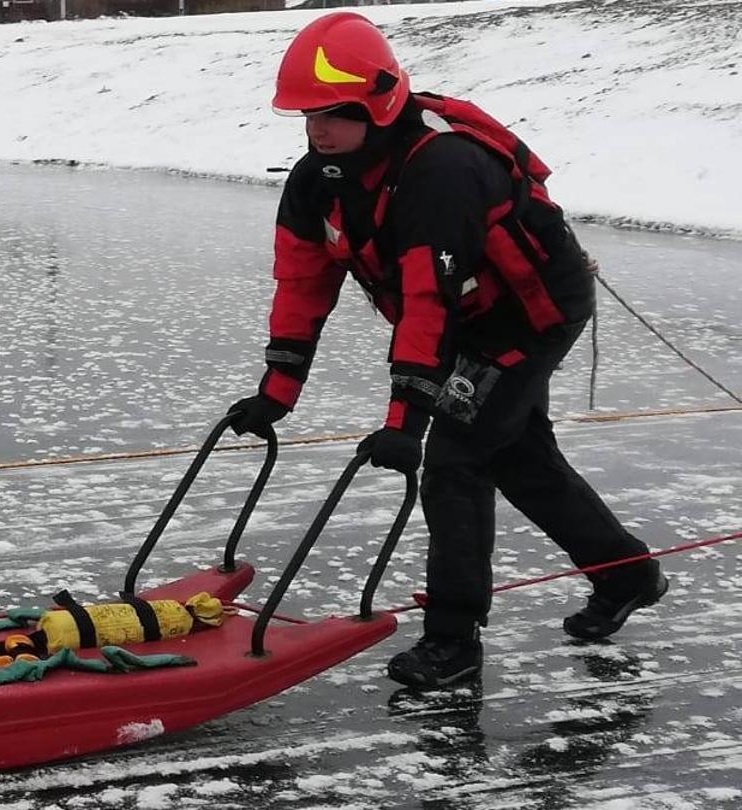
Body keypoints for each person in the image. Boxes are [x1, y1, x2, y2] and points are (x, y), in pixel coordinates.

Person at [225, 13, 668, 690]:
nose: (318, 131)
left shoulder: (441, 169)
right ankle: (627, 574)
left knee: (457, 459)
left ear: (379, 104)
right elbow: (303, 283)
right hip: (462, 313)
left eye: (335, 114)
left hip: (529, 314)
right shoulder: (318, 179)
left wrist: (406, 422)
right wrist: (276, 390)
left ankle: (453, 639)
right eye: (308, 116)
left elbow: (428, 302)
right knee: (517, 455)